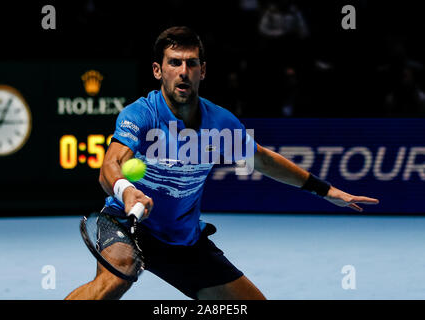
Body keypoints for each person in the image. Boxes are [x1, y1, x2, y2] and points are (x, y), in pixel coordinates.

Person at [65, 26, 379, 300]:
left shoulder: (220, 124)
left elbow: (263, 160)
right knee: (120, 271)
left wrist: (325, 191)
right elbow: (110, 165)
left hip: (183, 240)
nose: (183, 71)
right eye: (174, 63)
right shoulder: (141, 114)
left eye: (191, 63)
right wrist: (127, 192)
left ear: (203, 71)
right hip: (127, 222)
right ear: (158, 71)